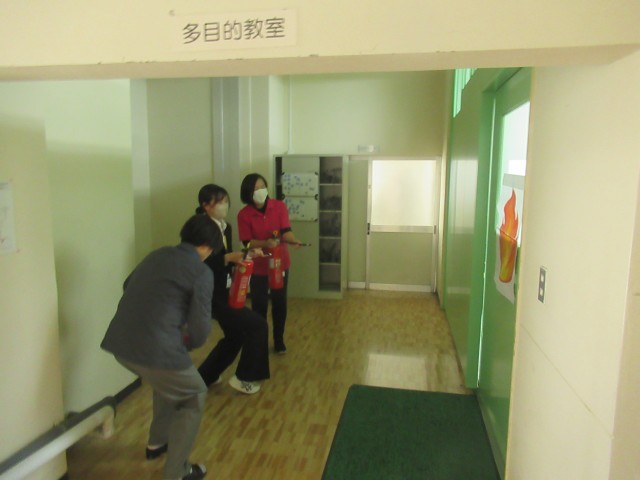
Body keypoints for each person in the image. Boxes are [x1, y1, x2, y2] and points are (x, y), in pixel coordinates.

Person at [101, 214, 218, 480]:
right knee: (193, 395)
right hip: (158, 348)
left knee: (166, 383)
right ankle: (177, 472)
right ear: (206, 246)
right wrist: (188, 342)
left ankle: (157, 443)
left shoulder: (157, 254)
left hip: (120, 343)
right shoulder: (201, 272)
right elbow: (201, 328)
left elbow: (128, 284)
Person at [195, 184, 270, 395]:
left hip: (225, 289)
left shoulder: (225, 227)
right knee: (257, 326)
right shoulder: (198, 228)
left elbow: (224, 257)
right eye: (219, 201)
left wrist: (245, 255)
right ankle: (245, 377)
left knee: (235, 335)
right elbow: (198, 262)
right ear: (205, 205)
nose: (224, 205)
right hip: (209, 292)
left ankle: (204, 376)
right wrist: (229, 258)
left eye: (226, 201)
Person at [237, 173, 301, 354]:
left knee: (279, 302)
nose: (260, 191)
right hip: (258, 266)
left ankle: (279, 340)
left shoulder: (279, 206)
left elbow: (286, 231)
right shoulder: (244, 215)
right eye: (256, 188)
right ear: (248, 192)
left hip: (280, 263)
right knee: (259, 305)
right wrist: (265, 243)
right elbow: (246, 243)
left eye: (262, 187)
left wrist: (293, 240)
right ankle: (260, 341)